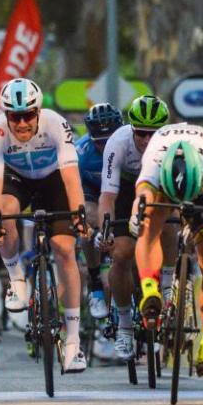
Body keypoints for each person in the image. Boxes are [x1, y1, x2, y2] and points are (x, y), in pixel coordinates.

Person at [0, 78, 89, 373]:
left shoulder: (56, 124)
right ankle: (17, 278)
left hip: (53, 178)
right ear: (5, 116)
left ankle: (73, 342)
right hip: (16, 179)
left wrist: (79, 214)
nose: (21, 123)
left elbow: (71, 178)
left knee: (64, 249)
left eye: (27, 115)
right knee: (5, 215)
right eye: (14, 116)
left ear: (38, 112)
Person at [134, 124, 203, 377]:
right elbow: (142, 195)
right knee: (148, 220)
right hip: (166, 184)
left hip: (199, 187)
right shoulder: (155, 158)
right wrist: (137, 214)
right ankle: (149, 291)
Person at [95, 95, 169, 361]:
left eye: (153, 134)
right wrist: (106, 231)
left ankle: (168, 293)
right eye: (141, 134)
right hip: (126, 189)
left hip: (159, 188)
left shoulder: (172, 144)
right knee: (122, 253)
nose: (147, 141)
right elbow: (107, 197)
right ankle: (125, 325)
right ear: (131, 129)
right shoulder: (117, 143)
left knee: (169, 228)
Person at [76, 103, 123, 321]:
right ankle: (94, 284)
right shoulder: (82, 153)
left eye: (109, 141)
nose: (105, 147)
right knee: (86, 218)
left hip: (122, 190)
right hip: (92, 190)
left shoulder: (131, 146)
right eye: (99, 143)